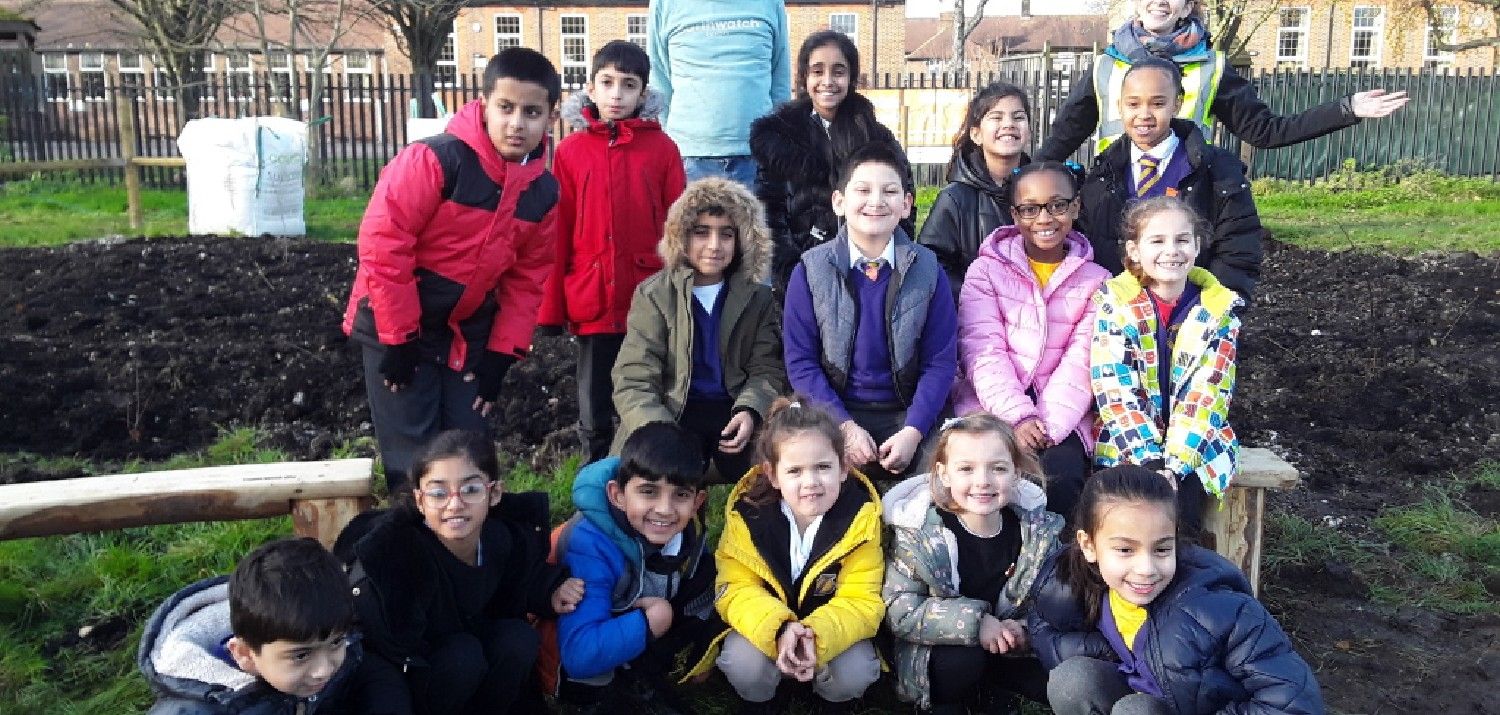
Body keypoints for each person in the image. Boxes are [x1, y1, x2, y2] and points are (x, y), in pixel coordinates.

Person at [342, 48, 561, 493]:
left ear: (551, 118)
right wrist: (399, 338)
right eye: (506, 108)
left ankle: (467, 550)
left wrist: (503, 353)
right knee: (414, 456)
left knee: (467, 446)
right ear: (484, 105)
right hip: (398, 323)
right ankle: (416, 549)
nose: (517, 123)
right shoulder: (436, 159)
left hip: (465, 331)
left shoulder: (542, 191)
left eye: (532, 112)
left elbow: (528, 279)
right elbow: (384, 244)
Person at [1028, 465, 1324, 715]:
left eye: (1161, 549)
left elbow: (1293, 700)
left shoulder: (1218, 608)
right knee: (1073, 680)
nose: (1146, 568)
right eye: (1125, 549)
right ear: (1089, 545)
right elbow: (1045, 625)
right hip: (1148, 697)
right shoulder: (1075, 582)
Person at [334, 430, 582, 715]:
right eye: (438, 493)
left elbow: (520, 580)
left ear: (494, 493)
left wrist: (551, 590)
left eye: (471, 490)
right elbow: (380, 656)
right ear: (419, 500)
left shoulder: (501, 538)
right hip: (418, 676)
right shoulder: (395, 558)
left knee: (518, 639)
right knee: (464, 655)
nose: (455, 504)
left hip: (471, 660)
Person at [539, 39, 686, 463]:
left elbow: (677, 231)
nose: (616, 95)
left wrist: (680, 295)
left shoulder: (662, 150)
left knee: (647, 393)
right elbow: (558, 230)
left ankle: (648, 480)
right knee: (595, 404)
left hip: (648, 296)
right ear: (590, 87)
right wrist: (550, 308)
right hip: (592, 298)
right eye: (607, 83)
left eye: (628, 85)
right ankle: (594, 488)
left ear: (643, 93)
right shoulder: (570, 152)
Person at [1036, 0, 1407, 162]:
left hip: (1185, 201)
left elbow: (1266, 132)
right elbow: (1064, 137)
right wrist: (1021, 178)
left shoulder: (1212, 67)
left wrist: (1347, 109)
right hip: (1116, 199)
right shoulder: (1105, 65)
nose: (1160, 1)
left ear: (1186, 5)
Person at [783, 143, 958, 482]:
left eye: (889, 191)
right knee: (823, 486)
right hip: (833, 409)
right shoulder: (811, 270)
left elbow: (940, 361)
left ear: (906, 204)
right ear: (839, 202)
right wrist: (844, 427)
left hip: (907, 410)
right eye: (862, 190)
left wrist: (913, 431)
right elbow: (801, 362)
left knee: (943, 484)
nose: (876, 201)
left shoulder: (927, 269)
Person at [695, 397, 883, 713]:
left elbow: (862, 600)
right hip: (766, 626)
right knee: (743, 664)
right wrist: (781, 630)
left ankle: (830, 699)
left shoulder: (861, 518)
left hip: (830, 633)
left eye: (823, 467)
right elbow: (735, 590)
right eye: (794, 471)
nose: (810, 482)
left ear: (843, 468)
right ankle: (765, 699)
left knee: (856, 671)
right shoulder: (747, 516)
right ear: (772, 475)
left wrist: (814, 636)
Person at [952, 162, 1111, 525]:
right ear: (1014, 214)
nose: (1044, 218)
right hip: (992, 404)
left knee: (1062, 475)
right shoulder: (986, 271)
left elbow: (1082, 359)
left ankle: (1054, 570)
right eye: (1030, 208)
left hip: (1061, 412)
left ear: (1075, 208)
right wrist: (1017, 416)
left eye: (1057, 205)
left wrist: (1049, 426)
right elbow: (983, 349)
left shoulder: (1098, 282)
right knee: (985, 471)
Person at [883, 413, 1065, 714]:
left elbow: (1051, 595)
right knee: (962, 664)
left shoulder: (1036, 531)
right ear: (944, 474)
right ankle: (950, 701)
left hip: (1005, 645)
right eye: (966, 469)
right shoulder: (919, 535)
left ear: (1016, 473)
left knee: (1049, 671)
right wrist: (976, 623)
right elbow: (900, 610)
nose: (983, 481)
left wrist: (1023, 629)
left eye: (998, 469)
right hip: (940, 647)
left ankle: (994, 683)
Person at [611, 178, 786, 482]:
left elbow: (767, 368)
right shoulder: (655, 295)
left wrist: (751, 410)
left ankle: (753, 524)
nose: (714, 246)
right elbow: (633, 377)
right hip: (673, 409)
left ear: (743, 240)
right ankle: (684, 526)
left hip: (732, 409)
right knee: (657, 469)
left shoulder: (757, 298)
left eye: (727, 234)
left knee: (776, 461)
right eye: (701, 233)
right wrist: (658, 427)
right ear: (682, 236)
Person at [1090, 197, 1241, 537]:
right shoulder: (1116, 305)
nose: (1171, 251)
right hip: (1127, 441)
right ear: (1134, 250)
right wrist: (1149, 460)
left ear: (1197, 246)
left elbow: (1209, 394)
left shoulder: (1219, 311)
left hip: (1193, 445)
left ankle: (1182, 577)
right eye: (1157, 241)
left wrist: (1173, 464)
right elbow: (1114, 390)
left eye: (1182, 240)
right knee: (1125, 513)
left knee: (1180, 515)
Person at [555, 422, 720, 715]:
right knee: (591, 681)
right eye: (648, 491)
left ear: (697, 502)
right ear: (617, 495)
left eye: (680, 495)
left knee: (703, 578)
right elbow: (577, 654)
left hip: (629, 618)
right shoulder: (589, 541)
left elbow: (703, 590)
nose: (665, 509)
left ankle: (644, 673)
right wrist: (650, 621)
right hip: (568, 649)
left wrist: (704, 652)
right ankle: (618, 689)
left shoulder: (688, 530)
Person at [1076, 59, 1265, 299]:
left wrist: (1213, 314)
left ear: (1177, 104)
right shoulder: (1101, 175)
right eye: (1133, 104)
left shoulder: (1217, 172)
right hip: (1119, 319)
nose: (1144, 114)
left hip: (1194, 317)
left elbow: (1238, 251)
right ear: (1119, 106)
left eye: (1158, 103)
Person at [750, 30, 914, 292]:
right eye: (817, 71)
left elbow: (902, 195)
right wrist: (792, 272)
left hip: (867, 273)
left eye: (838, 71)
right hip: (801, 275)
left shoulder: (874, 135)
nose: (828, 81)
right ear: (804, 77)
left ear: (851, 77)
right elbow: (768, 210)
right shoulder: (779, 138)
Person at [138, 538, 362, 714]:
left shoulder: (346, 650)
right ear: (245, 654)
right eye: (301, 656)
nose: (324, 670)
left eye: (336, 642)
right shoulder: (199, 710)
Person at [648, 0, 791, 186]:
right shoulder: (664, 3)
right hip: (688, 159)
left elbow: (780, 81)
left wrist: (776, 145)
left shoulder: (771, 3)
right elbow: (660, 80)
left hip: (758, 158)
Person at [918, 82, 1034, 300]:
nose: (1008, 124)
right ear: (976, 134)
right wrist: (979, 297)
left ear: (1028, 131)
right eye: (997, 118)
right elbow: (931, 263)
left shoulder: (1042, 193)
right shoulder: (955, 198)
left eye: (1018, 117)